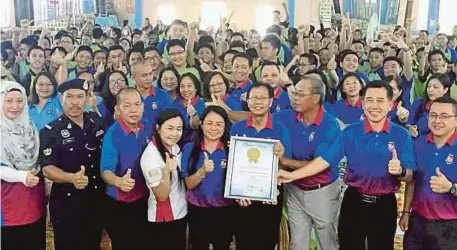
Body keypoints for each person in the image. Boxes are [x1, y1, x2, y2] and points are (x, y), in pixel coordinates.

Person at [278, 82, 417, 250]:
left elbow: (410, 175)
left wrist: (400, 171)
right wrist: (293, 175)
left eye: (380, 100)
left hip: (384, 205)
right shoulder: (350, 132)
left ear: (390, 104)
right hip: (354, 202)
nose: (374, 106)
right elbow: (325, 160)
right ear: (363, 103)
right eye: (369, 100)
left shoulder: (401, 134)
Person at [274, 76, 341, 250]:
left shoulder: (330, 125)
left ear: (316, 97)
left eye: (300, 94)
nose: (295, 97)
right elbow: (260, 117)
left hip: (322, 191)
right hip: (294, 189)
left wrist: (285, 161)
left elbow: (319, 163)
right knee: (297, 241)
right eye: (294, 93)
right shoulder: (288, 117)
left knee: (326, 241)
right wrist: (226, 112)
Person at [39, 78, 106, 250]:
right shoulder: (50, 131)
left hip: (96, 199)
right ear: (61, 99)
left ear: (87, 98)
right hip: (66, 203)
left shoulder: (97, 122)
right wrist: (70, 178)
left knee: (93, 244)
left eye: (80, 96)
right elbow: (47, 168)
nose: (75, 102)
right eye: (69, 97)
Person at [230, 82, 291, 250]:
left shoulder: (280, 129)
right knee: (243, 241)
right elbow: (233, 164)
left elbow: (286, 164)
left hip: (271, 197)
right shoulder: (237, 129)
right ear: (247, 101)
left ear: (271, 101)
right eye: (254, 98)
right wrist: (236, 192)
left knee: (267, 242)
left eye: (263, 98)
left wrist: (274, 188)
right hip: (244, 197)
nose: (258, 102)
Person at [399, 97, 457, 250]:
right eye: (433, 115)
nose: (437, 120)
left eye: (444, 116)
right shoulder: (418, 144)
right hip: (417, 222)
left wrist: (450, 187)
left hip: (450, 227)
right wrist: (406, 212)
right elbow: (412, 181)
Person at [101, 88, 152, 250]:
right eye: (127, 105)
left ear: (143, 107)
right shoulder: (113, 134)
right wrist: (119, 181)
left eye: (137, 104)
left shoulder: (149, 127)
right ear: (118, 109)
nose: (133, 110)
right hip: (121, 203)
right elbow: (106, 171)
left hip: (145, 198)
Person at [181, 106, 235, 250]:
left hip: (225, 210)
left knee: (222, 245)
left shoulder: (232, 150)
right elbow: (189, 184)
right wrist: (202, 171)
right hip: (198, 210)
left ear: (225, 126)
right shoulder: (190, 149)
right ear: (201, 124)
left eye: (219, 124)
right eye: (209, 123)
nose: (213, 128)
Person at [1, 81, 46, 250]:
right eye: (9, 100)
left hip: (34, 197)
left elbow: (38, 159)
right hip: (8, 203)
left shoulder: (29, 127)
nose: (15, 106)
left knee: (35, 240)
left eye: (19, 100)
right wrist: (21, 176)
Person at [140, 109, 187, 250]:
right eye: (170, 128)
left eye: (179, 129)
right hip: (164, 218)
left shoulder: (174, 146)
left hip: (180, 212)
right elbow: (161, 195)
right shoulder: (150, 157)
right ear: (158, 128)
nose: (174, 133)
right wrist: (167, 171)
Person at [407, 73, 452, 138]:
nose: (430, 90)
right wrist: (409, 128)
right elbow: (407, 123)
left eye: (435, 87)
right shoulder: (418, 103)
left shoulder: (451, 109)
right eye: (429, 86)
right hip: (415, 142)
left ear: (445, 90)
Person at [131, 61, 173, 128]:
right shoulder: (128, 96)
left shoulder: (162, 95)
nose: (149, 78)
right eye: (144, 75)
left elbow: (170, 120)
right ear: (133, 78)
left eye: (150, 74)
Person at [174, 72, 205, 142]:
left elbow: (195, 125)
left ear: (196, 88)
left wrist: (193, 114)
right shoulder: (175, 103)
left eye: (189, 86)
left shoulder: (201, 104)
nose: (186, 90)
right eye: (182, 86)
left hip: (194, 144)